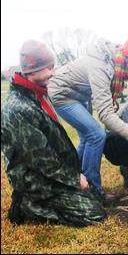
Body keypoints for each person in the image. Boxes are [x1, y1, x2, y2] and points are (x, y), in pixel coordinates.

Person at [1, 40, 107, 226]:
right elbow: (41, 160)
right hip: (34, 181)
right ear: (32, 71)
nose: (53, 72)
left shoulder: (37, 95)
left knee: (96, 198)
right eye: (48, 68)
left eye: (53, 67)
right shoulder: (18, 109)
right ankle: (26, 206)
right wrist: (74, 179)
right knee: (94, 213)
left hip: (47, 175)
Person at [48, 36, 128, 204]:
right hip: (63, 94)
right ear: (127, 58)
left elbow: (105, 101)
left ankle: (70, 179)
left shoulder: (115, 65)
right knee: (96, 135)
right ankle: (94, 191)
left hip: (78, 95)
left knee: (88, 137)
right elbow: (106, 115)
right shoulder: (101, 67)